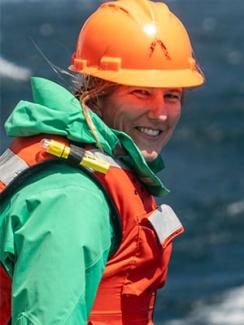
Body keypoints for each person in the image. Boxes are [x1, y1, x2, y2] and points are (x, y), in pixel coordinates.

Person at [0, 0, 204, 324]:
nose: (161, 113)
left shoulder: (85, 165)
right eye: (140, 92)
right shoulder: (71, 198)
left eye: (171, 96)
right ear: (97, 91)